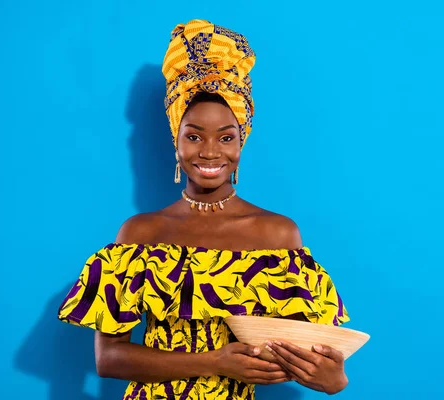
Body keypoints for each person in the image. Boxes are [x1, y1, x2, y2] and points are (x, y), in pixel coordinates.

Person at [58, 19, 350, 400]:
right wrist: (214, 362)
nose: (210, 152)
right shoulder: (140, 235)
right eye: (194, 136)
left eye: (225, 137)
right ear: (176, 141)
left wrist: (333, 379)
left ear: (241, 142)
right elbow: (109, 359)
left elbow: (315, 356)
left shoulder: (277, 235)